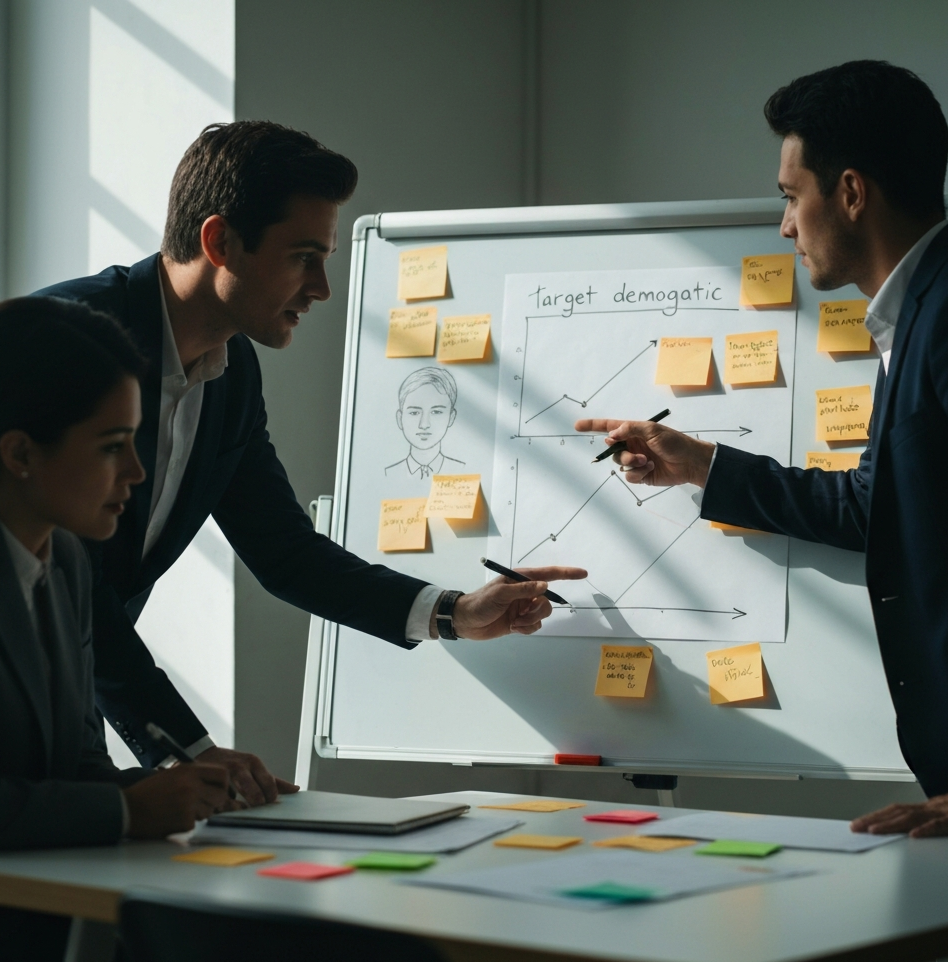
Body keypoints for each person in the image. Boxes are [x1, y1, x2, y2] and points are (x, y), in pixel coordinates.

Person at [38, 121, 586, 798]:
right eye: (302, 257)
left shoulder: (230, 368)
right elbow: (67, 585)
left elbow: (284, 551)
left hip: (63, 710)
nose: (322, 288)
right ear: (219, 242)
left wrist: (453, 612)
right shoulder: (68, 341)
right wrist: (191, 751)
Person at [576, 60, 948, 838]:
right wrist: (699, 463)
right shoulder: (920, 316)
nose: (785, 226)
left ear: (852, 193)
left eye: (792, 197)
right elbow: (879, 507)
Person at [0, 297, 232, 962]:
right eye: (113, 446)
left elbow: (73, 756)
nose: (138, 473)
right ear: (19, 454)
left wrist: (178, 789)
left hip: (33, 917)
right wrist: (119, 809)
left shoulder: (66, 558)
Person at [386, 366, 466, 478]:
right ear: (400, 419)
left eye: (436, 412)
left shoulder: (462, 471)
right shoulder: (388, 474)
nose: (424, 424)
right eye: (414, 413)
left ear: (451, 417)